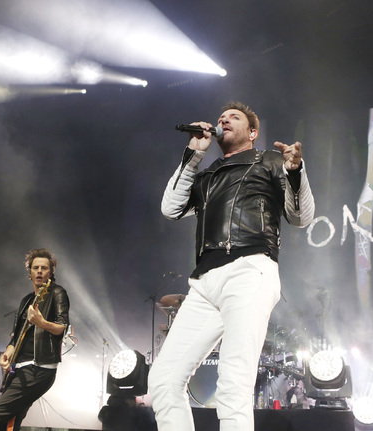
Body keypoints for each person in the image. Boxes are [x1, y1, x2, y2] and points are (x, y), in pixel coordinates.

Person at [148, 101, 315, 431]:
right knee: (164, 380)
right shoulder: (207, 174)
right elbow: (170, 209)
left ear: (252, 133)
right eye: (221, 117)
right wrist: (193, 154)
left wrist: (296, 172)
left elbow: (300, 217)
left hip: (249, 269)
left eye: (233, 118)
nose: (223, 120)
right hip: (204, 282)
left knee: (233, 382)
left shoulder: (270, 161)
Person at [0, 248, 70, 431]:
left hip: (38, 369)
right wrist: (6, 355)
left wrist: (41, 323)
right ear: (30, 273)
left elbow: (61, 327)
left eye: (44, 268)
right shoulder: (26, 300)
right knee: (10, 424)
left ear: (51, 272)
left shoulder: (57, 293)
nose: (39, 271)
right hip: (19, 368)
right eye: (35, 268)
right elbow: (15, 338)